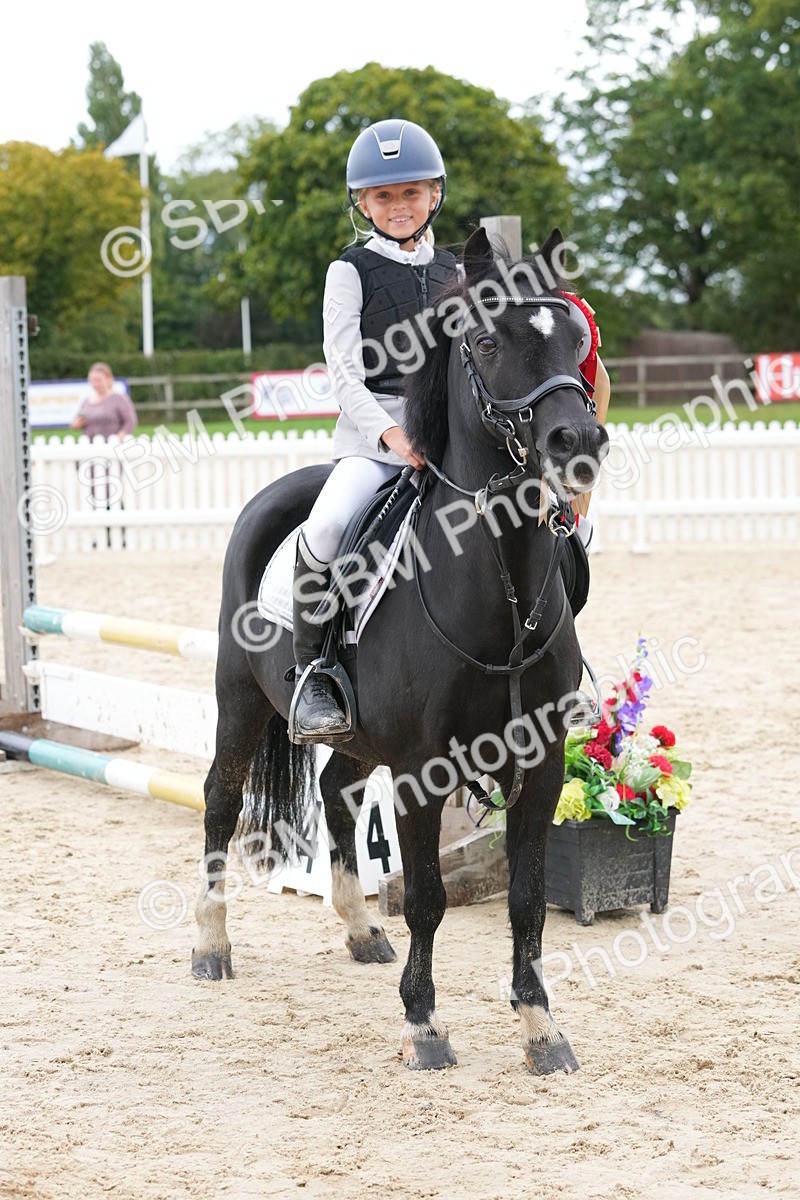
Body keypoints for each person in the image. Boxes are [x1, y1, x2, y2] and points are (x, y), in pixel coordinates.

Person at [291, 119, 458, 741]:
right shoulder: (349, 270)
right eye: (383, 196)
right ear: (362, 202)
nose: (398, 206)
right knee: (329, 524)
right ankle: (317, 672)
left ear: (434, 193)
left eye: (410, 193)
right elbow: (343, 376)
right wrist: (392, 437)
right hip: (375, 438)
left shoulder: (453, 268)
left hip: (450, 438)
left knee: (539, 516)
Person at [71, 362, 138, 547]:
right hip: (91, 453)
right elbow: (78, 420)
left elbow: (130, 421)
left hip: (111, 453)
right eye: (92, 380)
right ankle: (103, 533)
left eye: (98, 380)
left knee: (112, 491)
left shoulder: (118, 399)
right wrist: (77, 424)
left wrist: (120, 437)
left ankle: (119, 532)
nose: (95, 384)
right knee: (95, 493)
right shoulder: (87, 400)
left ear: (108, 379)